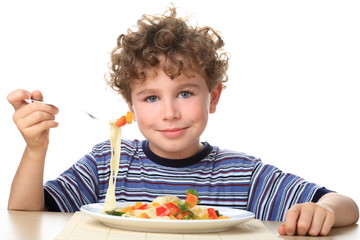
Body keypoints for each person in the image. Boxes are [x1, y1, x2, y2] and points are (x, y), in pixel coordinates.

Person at [7, 7, 358, 236]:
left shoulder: (243, 175)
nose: (170, 112)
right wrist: (35, 149)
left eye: (186, 94)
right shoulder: (108, 163)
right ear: (131, 107)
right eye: (151, 97)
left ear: (214, 97)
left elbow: (345, 205)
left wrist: (321, 209)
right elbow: (26, 212)